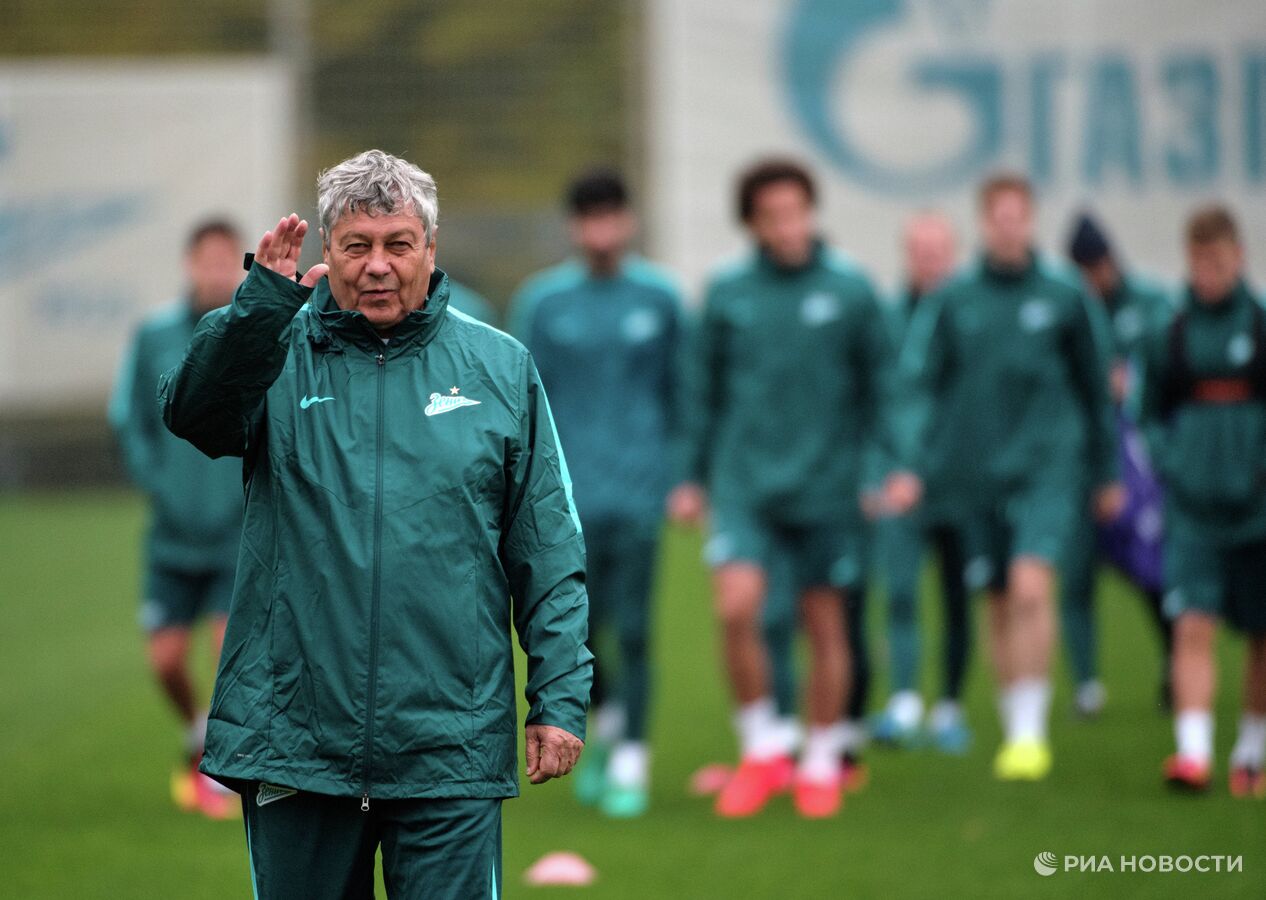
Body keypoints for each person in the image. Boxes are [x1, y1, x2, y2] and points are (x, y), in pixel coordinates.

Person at [159, 150, 592, 898]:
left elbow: (546, 545)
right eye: (357, 245)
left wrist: (558, 695)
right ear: (327, 252)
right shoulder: (274, 351)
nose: (379, 265)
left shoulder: (499, 367)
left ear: (431, 248)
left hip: (450, 744)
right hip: (296, 742)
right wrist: (259, 310)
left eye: (399, 243)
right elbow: (193, 414)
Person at [672, 159, 891, 818]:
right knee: (735, 608)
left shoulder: (851, 290)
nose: (788, 226)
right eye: (773, 216)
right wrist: (691, 476)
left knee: (825, 624)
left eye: (796, 212)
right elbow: (701, 392)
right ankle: (764, 749)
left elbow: (885, 390)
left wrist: (882, 468)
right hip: (745, 483)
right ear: (753, 224)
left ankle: (821, 761)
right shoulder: (728, 292)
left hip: (828, 485)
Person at [885, 173, 1122, 782]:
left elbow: (1096, 389)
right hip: (975, 473)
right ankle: (1013, 714)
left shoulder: (1065, 293)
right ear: (985, 222)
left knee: (1030, 588)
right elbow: (917, 385)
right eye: (999, 216)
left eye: (1019, 215)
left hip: (1048, 465)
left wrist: (1107, 471)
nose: (1009, 226)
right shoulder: (953, 298)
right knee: (995, 600)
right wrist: (911, 461)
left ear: (1031, 220)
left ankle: (1028, 731)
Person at [508, 169, 683, 818]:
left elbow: (683, 392)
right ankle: (606, 723)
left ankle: (633, 758)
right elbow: (519, 400)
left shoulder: (660, 298)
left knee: (634, 629)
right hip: (563, 501)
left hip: (638, 494)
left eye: (612, 216)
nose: (602, 230)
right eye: (590, 218)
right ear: (573, 226)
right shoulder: (543, 302)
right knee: (580, 630)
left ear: (629, 221)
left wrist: (683, 476)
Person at [109, 218, 246, 820]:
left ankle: (223, 767)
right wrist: (157, 482)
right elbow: (129, 417)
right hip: (172, 533)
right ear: (190, 265)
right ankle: (197, 732)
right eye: (206, 261)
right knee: (165, 660)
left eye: (225, 261)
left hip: (235, 530)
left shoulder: (249, 333)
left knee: (226, 650)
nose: (215, 271)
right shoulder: (155, 334)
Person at [1138, 205, 1266, 797]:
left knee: (1261, 633)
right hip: (1193, 507)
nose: (1205, 274)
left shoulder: (1259, 326)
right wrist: (1173, 463)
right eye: (1196, 262)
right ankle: (1192, 753)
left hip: (1258, 509)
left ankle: (1251, 750)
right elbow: (1147, 413)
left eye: (1215, 261)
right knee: (1193, 623)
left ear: (1237, 257)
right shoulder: (1171, 331)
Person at [868, 211, 972, 753]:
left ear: (953, 254)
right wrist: (881, 471)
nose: (929, 259)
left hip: (958, 483)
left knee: (957, 596)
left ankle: (950, 706)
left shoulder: (972, 319)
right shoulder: (886, 318)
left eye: (938, 249)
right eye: (919, 249)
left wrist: (932, 469)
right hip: (897, 483)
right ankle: (904, 700)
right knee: (901, 591)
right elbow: (876, 401)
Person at [1066, 213, 1175, 715]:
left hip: (1137, 455)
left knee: (1150, 563)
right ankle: (1086, 684)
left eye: (1098, 266)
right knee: (1077, 571)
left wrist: (1131, 381)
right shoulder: (1069, 305)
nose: (1094, 277)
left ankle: (1173, 660)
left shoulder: (1149, 302)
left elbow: (1169, 365)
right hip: (1082, 453)